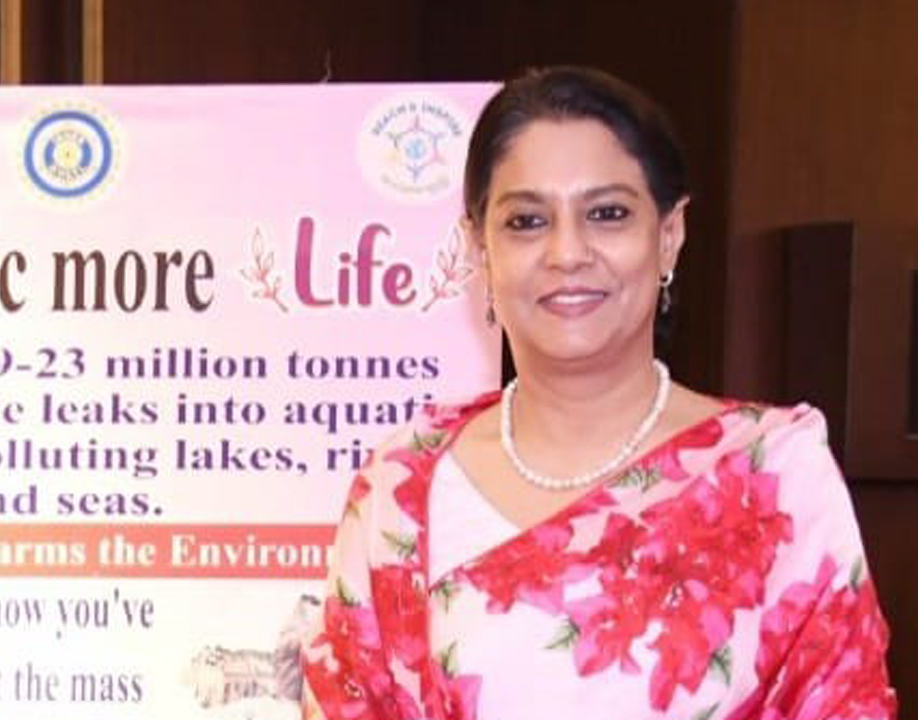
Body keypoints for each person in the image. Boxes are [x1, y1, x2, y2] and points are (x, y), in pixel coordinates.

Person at [300, 66, 896, 720]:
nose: (567, 252)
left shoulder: (773, 475)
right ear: (479, 249)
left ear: (669, 236)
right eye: (526, 221)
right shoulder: (404, 483)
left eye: (607, 214)